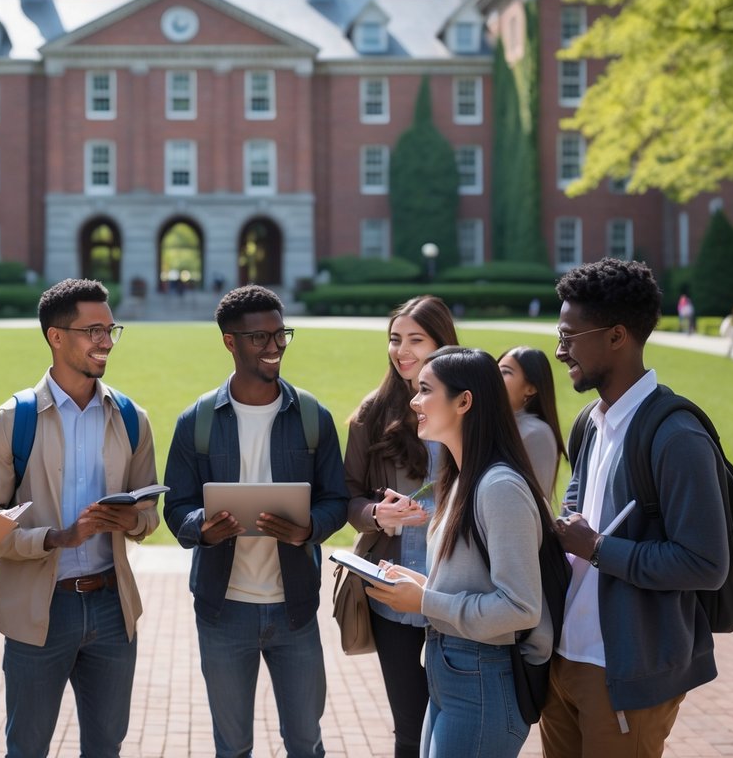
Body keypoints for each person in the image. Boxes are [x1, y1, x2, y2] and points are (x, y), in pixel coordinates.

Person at [0, 278, 160, 758]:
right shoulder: (12, 420)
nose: (106, 341)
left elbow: (150, 514)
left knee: (106, 748)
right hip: (39, 613)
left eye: (111, 329)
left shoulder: (131, 417)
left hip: (114, 611)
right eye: (93, 330)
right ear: (56, 336)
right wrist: (55, 538)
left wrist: (130, 522)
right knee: (27, 748)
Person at [544, 258, 729, 757]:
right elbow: (576, 511)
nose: (560, 351)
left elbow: (706, 564)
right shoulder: (590, 421)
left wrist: (600, 548)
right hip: (564, 659)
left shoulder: (676, 436)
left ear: (617, 336)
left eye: (569, 336)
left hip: (626, 669)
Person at [164, 285, 348, 758]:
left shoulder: (312, 417)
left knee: (306, 744)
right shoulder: (197, 421)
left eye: (280, 335)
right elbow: (176, 505)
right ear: (230, 342)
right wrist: (201, 527)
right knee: (233, 747)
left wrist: (308, 529)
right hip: (223, 610)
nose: (274, 348)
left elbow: (336, 500)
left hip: (295, 608)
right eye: (259, 338)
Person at [367, 346, 551, 758]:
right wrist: (420, 585)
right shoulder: (459, 480)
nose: (414, 400)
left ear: (464, 401)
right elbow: (471, 580)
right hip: (450, 673)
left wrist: (427, 601)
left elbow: (521, 608)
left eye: (426, 390)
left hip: (482, 680)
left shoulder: (500, 487)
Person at [343, 294, 457, 758]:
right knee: (410, 729)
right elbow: (346, 496)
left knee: (456, 723)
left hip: (456, 590)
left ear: (441, 342)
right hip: (393, 591)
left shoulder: (467, 405)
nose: (402, 350)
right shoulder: (372, 414)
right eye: (395, 339)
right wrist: (376, 515)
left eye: (416, 339)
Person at [499, 346, 566, 501]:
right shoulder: (498, 426)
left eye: (505, 372)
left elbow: (534, 502)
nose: (495, 378)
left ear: (531, 388)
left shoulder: (536, 434)